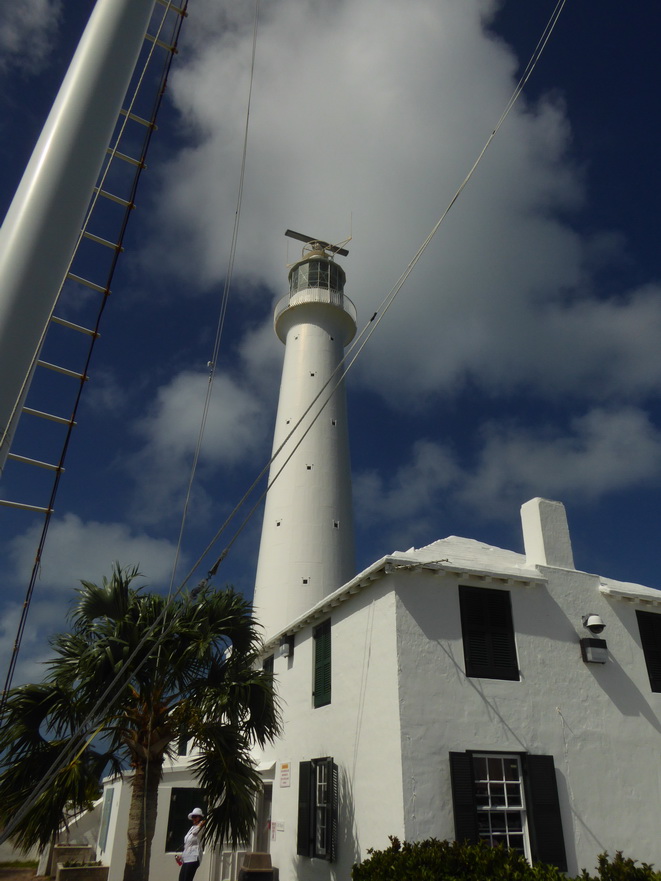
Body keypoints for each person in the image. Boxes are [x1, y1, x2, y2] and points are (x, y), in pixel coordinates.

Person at [177, 807, 205, 881]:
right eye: (193, 817)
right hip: (186, 857)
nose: (194, 818)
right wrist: (182, 856)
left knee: (187, 878)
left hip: (194, 856)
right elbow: (187, 843)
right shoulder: (192, 827)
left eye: (196, 817)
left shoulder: (201, 827)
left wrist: (201, 823)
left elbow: (195, 832)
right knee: (181, 878)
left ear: (200, 817)